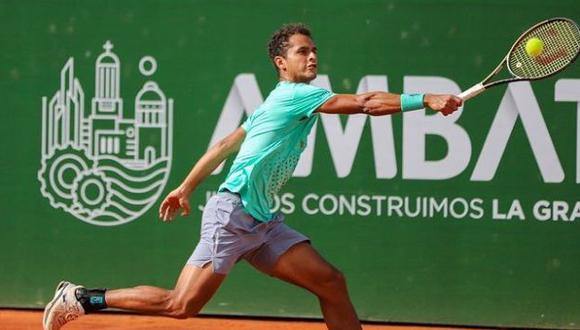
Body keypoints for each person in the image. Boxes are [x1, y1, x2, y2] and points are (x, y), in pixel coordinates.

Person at [43, 23, 462, 330]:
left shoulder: (272, 102)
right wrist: (426, 98)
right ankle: (82, 298)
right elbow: (366, 103)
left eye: (314, 50)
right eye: (302, 52)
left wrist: (185, 188)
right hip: (234, 215)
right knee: (180, 305)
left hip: (261, 222)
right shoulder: (298, 96)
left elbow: (224, 145)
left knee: (331, 282)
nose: (312, 56)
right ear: (282, 64)